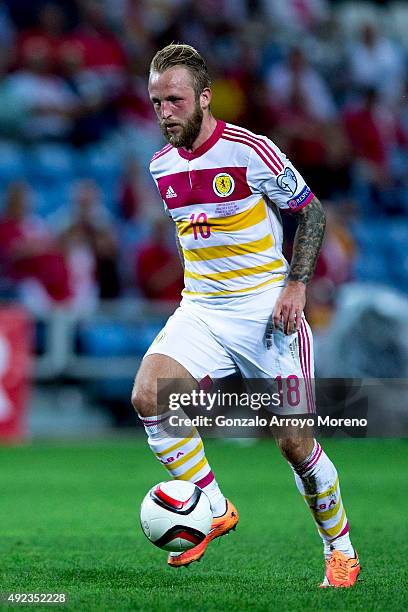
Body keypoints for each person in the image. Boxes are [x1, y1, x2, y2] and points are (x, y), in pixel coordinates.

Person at [131, 43, 360, 588]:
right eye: (156, 102)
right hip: (203, 310)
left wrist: (296, 285)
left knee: (294, 443)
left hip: (268, 314)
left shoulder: (250, 150)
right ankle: (211, 506)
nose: (165, 113)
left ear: (204, 99)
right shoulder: (160, 166)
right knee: (148, 395)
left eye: (175, 101)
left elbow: (311, 212)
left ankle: (341, 549)